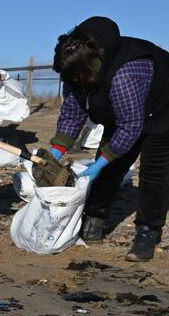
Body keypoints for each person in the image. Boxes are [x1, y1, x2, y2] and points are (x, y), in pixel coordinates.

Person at [50, 16, 169, 262]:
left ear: (91, 68)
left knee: (154, 173)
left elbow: (131, 126)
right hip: (125, 112)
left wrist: (102, 161)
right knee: (109, 167)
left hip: (162, 110)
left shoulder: (125, 73)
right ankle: (93, 220)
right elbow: (72, 113)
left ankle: (147, 232)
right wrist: (57, 151)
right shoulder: (75, 68)